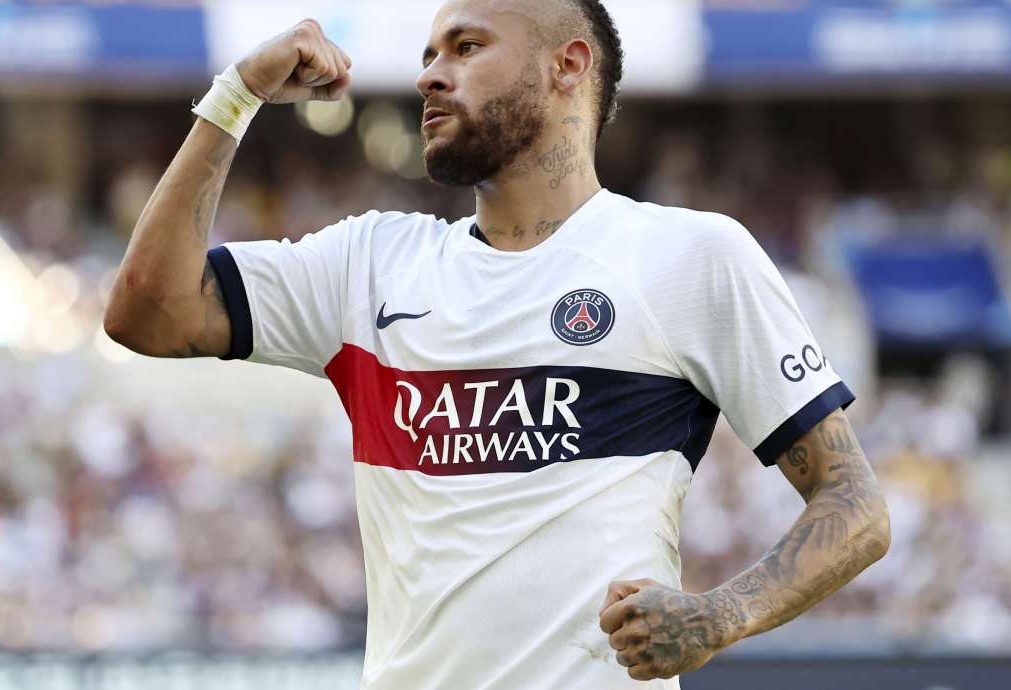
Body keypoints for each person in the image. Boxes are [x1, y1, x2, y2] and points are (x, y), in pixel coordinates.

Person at [103, 0, 891, 687]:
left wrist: (720, 616)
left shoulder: (688, 256)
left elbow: (854, 504)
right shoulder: (370, 263)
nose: (429, 76)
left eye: (466, 47)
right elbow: (149, 313)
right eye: (428, 55)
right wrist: (236, 95)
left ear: (568, 65)